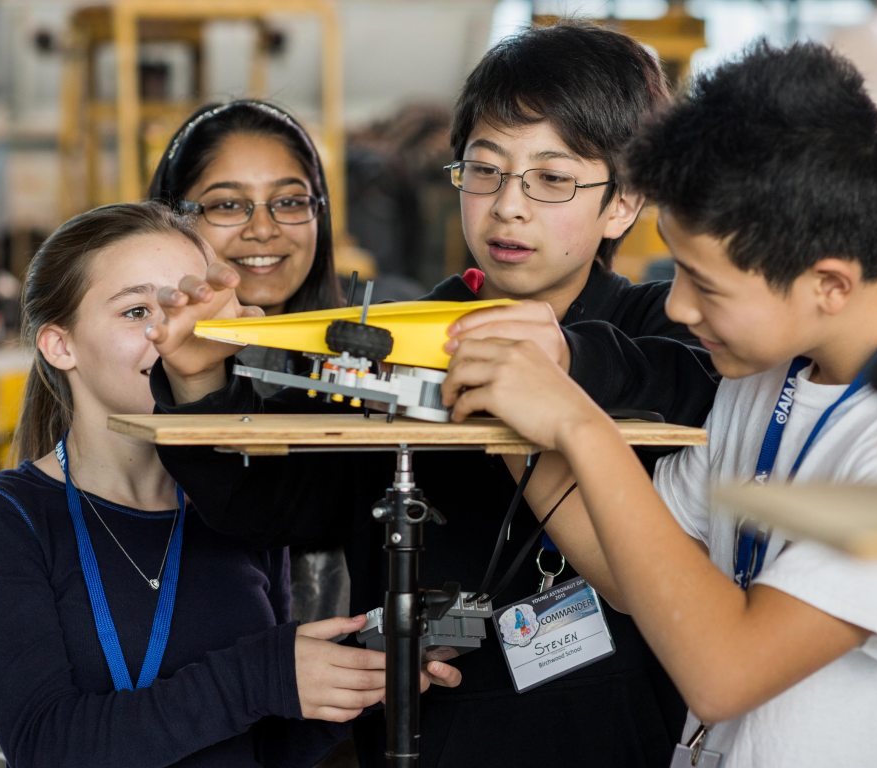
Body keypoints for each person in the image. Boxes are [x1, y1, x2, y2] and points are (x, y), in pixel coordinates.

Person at [147, 22, 719, 767]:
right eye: (485, 170)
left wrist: (564, 358)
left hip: (614, 736)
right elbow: (275, 504)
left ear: (622, 203)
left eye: (551, 179)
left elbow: (694, 383)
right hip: (430, 732)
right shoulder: (406, 337)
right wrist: (198, 381)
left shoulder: (651, 324)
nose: (509, 206)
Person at [440, 41, 877, 767]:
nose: (679, 307)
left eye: (705, 284)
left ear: (830, 284)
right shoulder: (769, 370)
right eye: (675, 268)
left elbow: (726, 674)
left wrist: (576, 423)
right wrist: (502, 409)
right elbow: (637, 577)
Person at [0, 202, 459, 768]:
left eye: (189, 307)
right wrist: (261, 676)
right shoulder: (3, 519)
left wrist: (360, 683)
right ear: (59, 346)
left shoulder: (240, 503)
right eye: (137, 310)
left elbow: (266, 747)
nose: (172, 334)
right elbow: (47, 747)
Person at [148, 99, 348, 624]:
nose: (263, 229)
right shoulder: (139, 369)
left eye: (288, 201)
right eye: (228, 205)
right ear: (172, 217)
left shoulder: (362, 364)